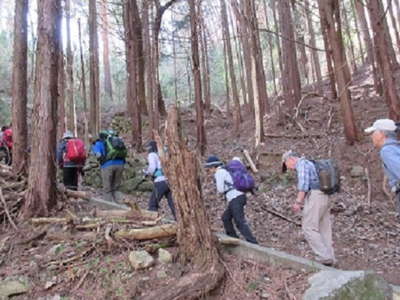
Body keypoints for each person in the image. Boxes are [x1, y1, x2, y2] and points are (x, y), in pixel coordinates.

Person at [282, 150, 336, 266]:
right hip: (325, 196)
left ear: (290, 159)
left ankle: (324, 257)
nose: (289, 168)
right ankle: (331, 257)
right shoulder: (310, 163)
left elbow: (303, 185)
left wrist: (298, 202)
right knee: (324, 228)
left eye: (286, 165)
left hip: (315, 196)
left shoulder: (301, 165)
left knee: (308, 227)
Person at [205, 155, 258, 244]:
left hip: (235, 198)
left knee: (239, 221)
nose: (209, 171)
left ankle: (253, 242)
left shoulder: (219, 172)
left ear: (213, 167)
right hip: (239, 196)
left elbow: (220, 189)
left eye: (209, 168)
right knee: (226, 218)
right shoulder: (225, 170)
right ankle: (232, 237)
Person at [365, 119, 400, 214]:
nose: (371, 136)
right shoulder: (395, 147)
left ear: (381, 134)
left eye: (373, 132)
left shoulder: (387, 151)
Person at [144, 140, 176, 219]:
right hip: (169, 180)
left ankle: (151, 220)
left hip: (160, 181)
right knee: (172, 203)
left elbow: (152, 168)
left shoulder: (152, 154)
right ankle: (179, 220)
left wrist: (146, 172)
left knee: (153, 203)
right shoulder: (163, 153)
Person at [92, 130, 126, 203]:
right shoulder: (115, 141)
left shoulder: (98, 143)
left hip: (107, 165)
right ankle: (120, 205)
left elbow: (98, 155)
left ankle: (108, 207)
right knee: (116, 188)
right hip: (120, 164)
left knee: (107, 188)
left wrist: (101, 160)